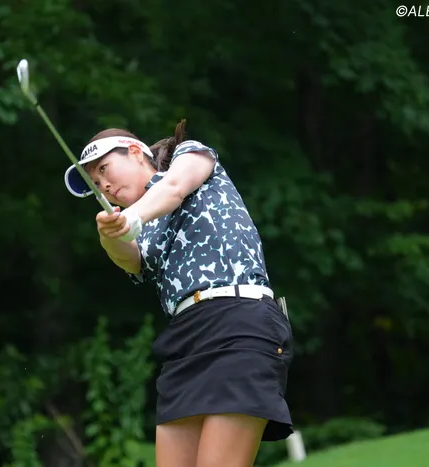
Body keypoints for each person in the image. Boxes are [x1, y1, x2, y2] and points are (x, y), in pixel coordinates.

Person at [63, 119, 294, 467]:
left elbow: (173, 188)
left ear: (135, 152)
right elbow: (130, 260)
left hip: (240, 323)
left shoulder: (191, 155)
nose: (104, 185)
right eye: (96, 183)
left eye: (104, 169)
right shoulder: (141, 226)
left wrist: (131, 219)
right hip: (185, 339)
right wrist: (110, 236)